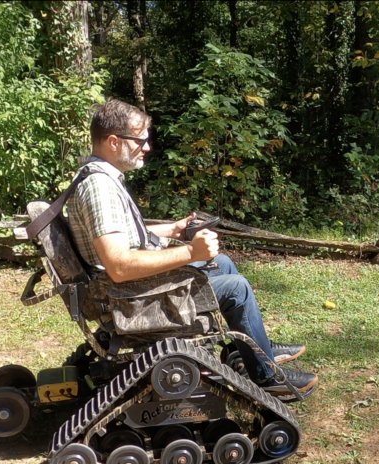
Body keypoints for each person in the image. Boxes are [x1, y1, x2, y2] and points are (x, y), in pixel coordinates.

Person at [65, 99, 318, 396]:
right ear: (112, 141)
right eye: (140, 140)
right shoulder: (100, 188)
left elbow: (119, 236)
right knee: (236, 288)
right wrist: (190, 252)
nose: (147, 147)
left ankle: (257, 348)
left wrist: (172, 229)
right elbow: (119, 266)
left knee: (221, 264)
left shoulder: (97, 177)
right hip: (128, 299)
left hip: (124, 289)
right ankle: (265, 376)